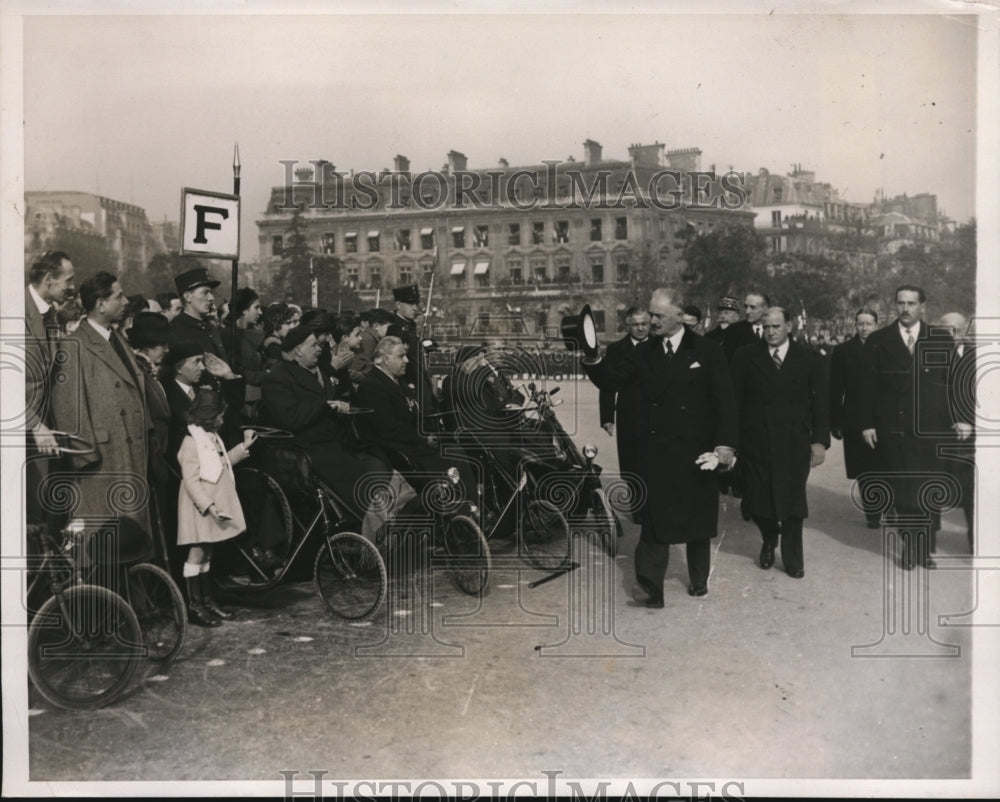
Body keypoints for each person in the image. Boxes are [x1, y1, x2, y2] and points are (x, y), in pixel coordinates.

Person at [583, 288, 737, 605]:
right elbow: (611, 380)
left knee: (696, 518)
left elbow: (725, 401)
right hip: (656, 450)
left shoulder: (707, 351)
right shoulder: (643, 353)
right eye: (651, 315)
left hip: (697, 449)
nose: (651, 321)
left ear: (679, 316)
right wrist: (592, 356)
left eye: (658, 316)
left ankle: (697, 578)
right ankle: (650, 587)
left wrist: (725, 444)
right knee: (654, 520)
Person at [259, 325, 397, 521]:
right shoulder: (278, 377)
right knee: (359, 474)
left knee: (377, 461)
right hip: (303, 448)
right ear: (298, 350)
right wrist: (325, 405)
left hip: (330, 442)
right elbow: (290, 417)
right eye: (314, 345)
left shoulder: (314, 372)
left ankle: (383, 519)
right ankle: (370, 524)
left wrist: (338, 407)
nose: (319, 349)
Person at [731, 307, 830, 578]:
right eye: (766, 326)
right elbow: (734, 402)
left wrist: (820, 442)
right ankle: (769, 538)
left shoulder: (809, 359)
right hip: (755, 442)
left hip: (794, 443)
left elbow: (821, 403)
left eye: (776, 326)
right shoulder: (745, 357)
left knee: (792, 500)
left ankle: (793, 558)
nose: (770, 332)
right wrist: (731, 441)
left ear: (789, 326)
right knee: (757, 501)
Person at [49, 271, 150, 536]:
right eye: (119, 296)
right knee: (108, 541)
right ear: (101, 304)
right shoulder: (74, 345)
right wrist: (86, 458)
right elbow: (68, 409)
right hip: (104, 463)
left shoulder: (117, 339)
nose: (126, 301)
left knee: (130, 538)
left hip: (129, 453)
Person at [860, 285, 953, 569]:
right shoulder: (879, 340)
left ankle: (923, 546)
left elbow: (954, 381)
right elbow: (866, 387)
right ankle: (911, 544)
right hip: (894, 427)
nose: (905, 309)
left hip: (931, 429)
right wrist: (866, 423)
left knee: (928, 489)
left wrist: (960, 418)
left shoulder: (939, 339)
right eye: (900, 303)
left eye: (911, 303)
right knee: (903, 488)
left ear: (922, 306)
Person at [355, 336, 477, 500]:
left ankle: (466, 511)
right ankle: (467, 511)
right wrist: (423, 438)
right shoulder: (372, 386)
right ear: (384, 359)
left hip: (409, 443)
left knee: (458, 451)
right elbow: (388, 428)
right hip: (395, 450)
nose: (406, 360)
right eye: (400, 356)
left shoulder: (395, 381)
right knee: (457, 458)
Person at [177, 387, 257, 627]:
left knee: (207, 551)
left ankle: (207, 600)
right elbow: (191, 480)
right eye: (220, 415)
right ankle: (195, 605)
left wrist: (243, 448)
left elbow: (220, 464)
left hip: (213, 504)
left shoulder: (210, 437)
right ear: (209, 417)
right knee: (197, 551)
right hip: (199, 507)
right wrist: (209, 506)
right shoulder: (191, 442)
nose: (223, 420)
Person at [24, 251, 76, 524]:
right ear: (48, 280)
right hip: (22, 431)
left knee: (44, 514)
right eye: (68, 280)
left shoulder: (51, 316)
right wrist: (35, 424)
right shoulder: (13, 310)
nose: (72, 287)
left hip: (42, 433)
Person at [829, 308, 884, 528]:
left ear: (876, 325)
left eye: (869, 323)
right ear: (855, 325)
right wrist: (836, 420)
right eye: (860, 323)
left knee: (883, 463)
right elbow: (835, 388)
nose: (864, 328)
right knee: (863, 466)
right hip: (854, 415)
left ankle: (883, 503)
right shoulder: (844, 351)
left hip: (881, 415)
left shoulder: (885, 348)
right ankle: (872, 511)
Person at [127, 311, 174, 565]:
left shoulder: (152, 370)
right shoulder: (138, 372)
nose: (166, 349)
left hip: (160, 456)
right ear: (146, 345)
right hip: (150, 459)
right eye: (161, 344)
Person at [597, 306, 650, 524]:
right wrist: (608, 417)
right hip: (629, 413)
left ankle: (655, 506)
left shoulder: (660, 346)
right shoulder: (617, 349)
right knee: (630, 462)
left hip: (656, 414)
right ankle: (638, 508)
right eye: (635, 324)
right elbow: (607, 385)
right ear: (627, 325)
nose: (640, 328)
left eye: (644, 324)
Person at [937, 312, 976, 554]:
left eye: (948, 331)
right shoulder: (927, 357)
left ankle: (976, 540)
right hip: (938, 433)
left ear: (959, 332)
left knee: (972, 491)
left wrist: (969, 422)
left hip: (970, 438)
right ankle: (923, 542)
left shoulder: (978, 358)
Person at [386, 284, 437, 421]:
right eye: (410, 304)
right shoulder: (395, 328)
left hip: (420, 380)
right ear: (398, 304)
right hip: (409, 383)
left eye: (415, 303)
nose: (415, 308)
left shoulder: (410, 325)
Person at [221, 287, 267, 421]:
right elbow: (237, 371)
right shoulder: (230, 337)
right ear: (244, 310)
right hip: (242, 404)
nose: (260, 312)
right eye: (256, 307)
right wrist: (267, 375)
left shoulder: (251, 335)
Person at [723, 291, 770, 363]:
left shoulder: (776, 330)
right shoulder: (733, 330)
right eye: (746, 307)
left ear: (765, 309)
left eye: (752, 307)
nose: (747, 311)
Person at [351, 307, 394, 383]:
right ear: (376, 326)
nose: (390, 330)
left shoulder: (369, 337)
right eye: (388, 327)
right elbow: (362, 366)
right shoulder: (369, 340)